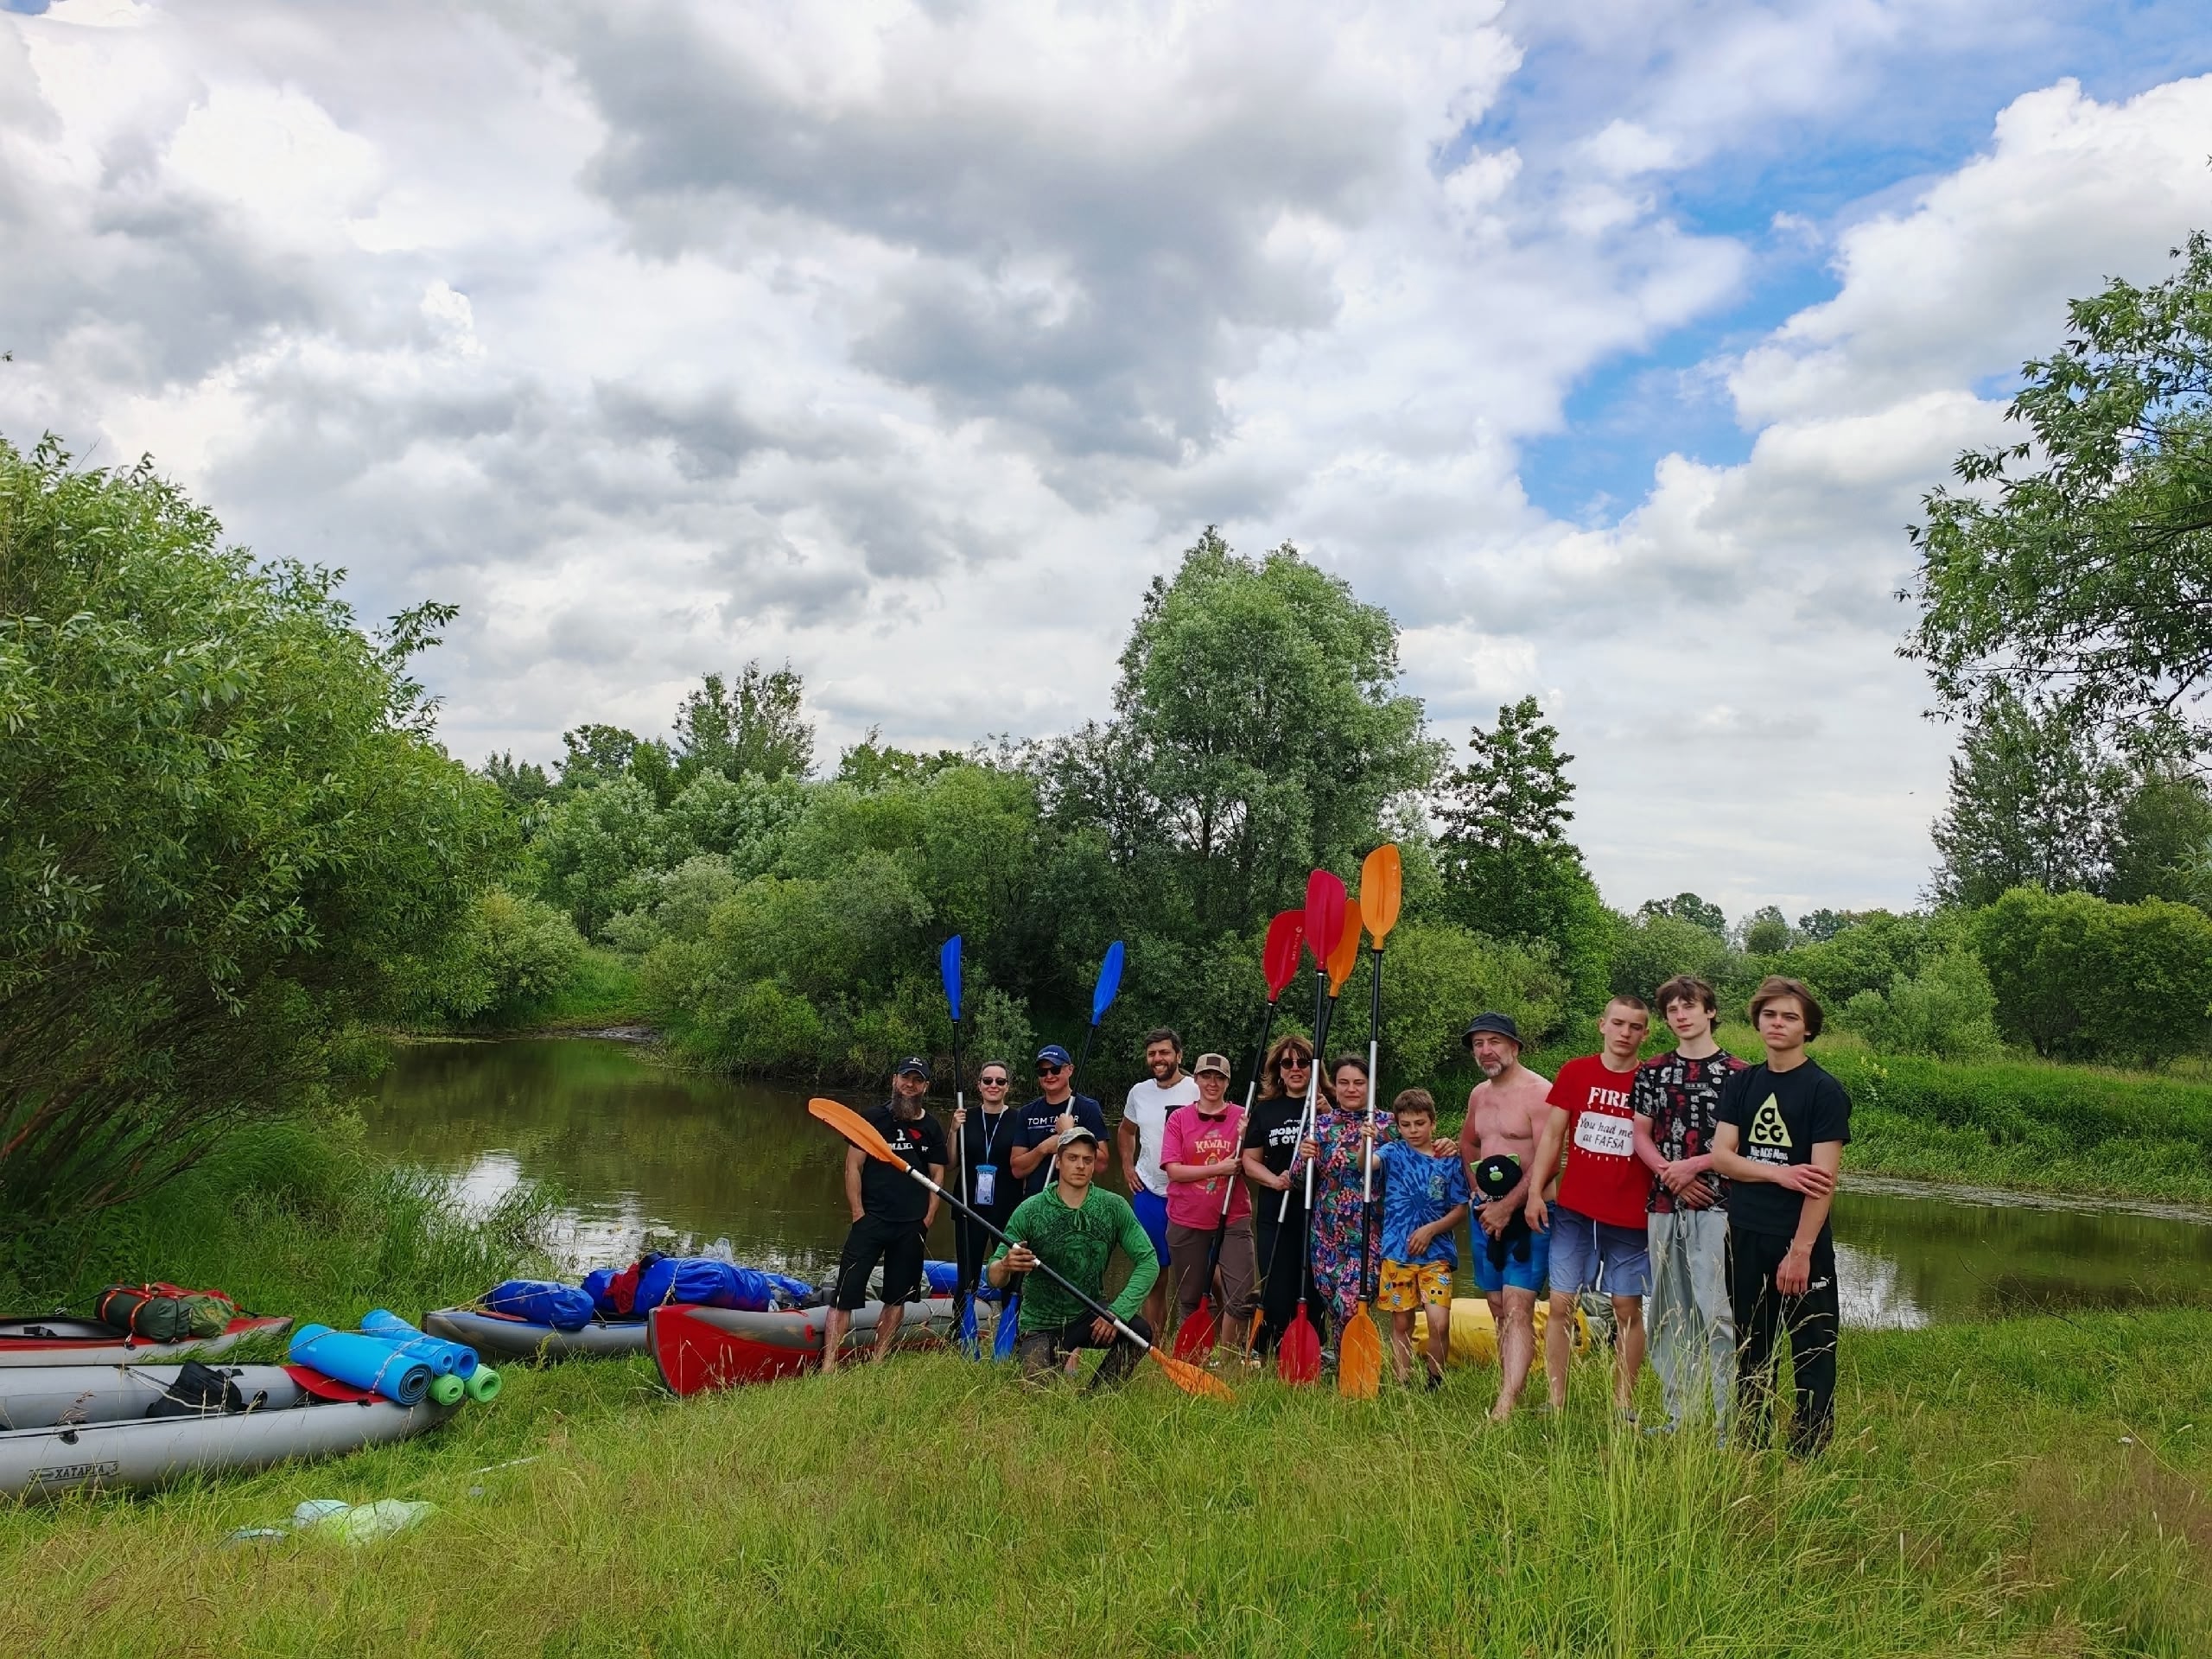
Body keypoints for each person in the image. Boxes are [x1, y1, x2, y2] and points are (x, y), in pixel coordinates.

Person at [1711, 976, 1850, 1455]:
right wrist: (1780, 1175)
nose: (1778, 1023)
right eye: (1769, 1014)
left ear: (1808, 1028)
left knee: (1812, 1347)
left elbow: (1821, 1182)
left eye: (1790, 1016)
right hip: (1745, 1233)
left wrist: (1801, 1251)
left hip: (1798, 1241)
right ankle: (1751, 1444)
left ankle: (1807, 1452)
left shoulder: (1823, 1091)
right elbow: (1721, 1158)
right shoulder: (1742, 1084)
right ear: (1757, 1021)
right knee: (1751, 1346)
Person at [1527, 996, 1653, 1417]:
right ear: (1602, 1025)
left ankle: (1623, 1405)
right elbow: (1552, 1137)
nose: (1625, 1033)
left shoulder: (1651, 1081)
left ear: (1645, 1034)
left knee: (1626, 1308)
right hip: (1575, 1212)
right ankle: (1556, 1400)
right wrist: (1534, 1192)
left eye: (1635, 1027)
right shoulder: (1576, 1072)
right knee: (1561, 1304)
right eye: (1618, 1023)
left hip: (1631, 1216)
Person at [1632, 975, 1745, 1436]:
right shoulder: (1652, 1072)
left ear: (1710, 1011)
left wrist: (1695, 1167)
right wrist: (1671, 1176)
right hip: (1664, 1205)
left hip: (1721, 1206)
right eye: (1672, 1010)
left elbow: (1743, 1145)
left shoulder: (1741, 1074)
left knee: (1717, 1312)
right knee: (1667, 1311)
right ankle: (1681, 1416)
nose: (1681, 1016)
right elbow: (1640, 1135)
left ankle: (1726, 1422)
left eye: (1689, 1007)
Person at [985, 1124, 1160, 1387]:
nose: (1080, 1166)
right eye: (1072, 1158)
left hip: (1089, 1315)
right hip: (1041, 1324)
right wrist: (1006, 1265)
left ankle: (1098, 1397)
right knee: (1036, 1398)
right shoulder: (1030, 1210)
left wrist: (1118, 1312)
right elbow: (993, 1278)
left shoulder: (1114, 1207)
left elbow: (1149, 1262)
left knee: (1139, 1332)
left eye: (1087, 1160)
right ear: (1058, 1162)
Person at [823, 1057, 949, 1374]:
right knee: (845, 1294)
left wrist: (929, 1217)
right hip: (871, 1220)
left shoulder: (931, 1128)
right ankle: (828, 1365)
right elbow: (853, 1165)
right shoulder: (872, 1119)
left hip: (911, 1225)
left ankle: (878, 1361)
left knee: (897, 1296)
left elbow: (937, 1176)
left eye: (917, 1080)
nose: (910, 1085)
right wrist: (857, 1212)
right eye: (905, 1078)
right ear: (894, 1080)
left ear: (925, 1087)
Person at [1456, 1013, 1553, 1421]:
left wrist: (1506, 1206)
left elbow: (1550, 1159)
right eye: (1479, 1043)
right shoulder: (1480, 1094)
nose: (1486, 1050)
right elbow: (1467, 1142)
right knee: (1496, 1304)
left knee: (1518, 1305)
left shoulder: (1540, 1093)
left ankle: (1507, 1401)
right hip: (1485, 1213)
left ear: (1514, 1046)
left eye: (1494, 1041)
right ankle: (1513, 1381)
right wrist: (1477, 1191)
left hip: (1528, 1214)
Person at [1369, 1089, 1471, 1389]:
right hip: (1397, 1252)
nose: (1413, 1130)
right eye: (1406, 1124)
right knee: (1402, 1322)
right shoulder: (1392, 1152)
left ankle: (1435, 1378)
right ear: (1398, 1126)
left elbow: (1460, 1209)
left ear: (1433, 1123)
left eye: (1420, 1123)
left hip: (1436, 1254)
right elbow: (1365, 1165)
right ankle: (1402, 1379)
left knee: (1438, 1321)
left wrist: (1431, 1230)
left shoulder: (1448, 1160)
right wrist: (1366, 1141)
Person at [1160, 1052, 1258, 1351]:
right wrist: (1219, 1168)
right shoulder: (1179, 1118)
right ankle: (1196, 1356)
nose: (1212, 1083)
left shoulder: (1243, 1117)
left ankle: (1228, 1359)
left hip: (1233, 1217)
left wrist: (1249, 1136)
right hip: (1187, 1218)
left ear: (1228, 1082)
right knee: (1191, 1297)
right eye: (1206, 1076)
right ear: (1197, 1079)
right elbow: (1174, 1170)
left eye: (1219, 1077)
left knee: (1242, 1296)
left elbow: (1255, 1163)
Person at [1243, 1034, 1330, 1355]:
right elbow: (1249, 1161)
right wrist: (1275, 1180)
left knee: (1313, 1291)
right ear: (1278, 1071)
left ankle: (1313, 1354)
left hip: (1320, 1215)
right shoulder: (1265, 1111)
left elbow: (1350, 1147)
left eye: (1303, 1063)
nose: (1295, 1069)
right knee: (1277, 1292)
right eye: (1287, 1063)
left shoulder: (1328, 1106)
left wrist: (1329, 1112)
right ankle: (1270, 1352)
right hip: (1275, 1211)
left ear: (1313, 1069)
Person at [1300, 1055, 1390, 1338]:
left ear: (1371, 1085)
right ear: (1334, 1086)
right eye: (1344, 1083)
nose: (1351, 1089)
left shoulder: (1389, 1125)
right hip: (1325, 1233)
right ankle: (1347, 1370)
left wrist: (1444, 1148)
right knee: (1333, 1303)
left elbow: (1419, 1157)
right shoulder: (1320, 1126)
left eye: (1359, 1083)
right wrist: (1303, 1159)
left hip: (1369, 1232)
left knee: (1351, 1304)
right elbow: (1296, 1179)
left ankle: (1356, 1364)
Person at [1119, 1027, 1197, 1334]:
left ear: (1178, 1055)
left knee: (1196, 1276)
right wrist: (1126, 1166)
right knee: (1154, 1273)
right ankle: (1155, 1350)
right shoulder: (1139, 1092)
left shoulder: (1197, 1088)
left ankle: (1198, 1350)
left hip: (1189, 1193)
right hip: (1149, 1192)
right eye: (1152, 1053)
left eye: (1164, 1052)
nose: (1158, 1059)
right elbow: (1126, 1131)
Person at [998, 1044, 1112, 1200]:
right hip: (1037, 1203)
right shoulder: (1026, 1113)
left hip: (1075, 1203)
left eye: (1055, 1069)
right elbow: (1017, 1169)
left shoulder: (1088, 1109)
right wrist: (1044, 1148)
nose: (1049, 1076)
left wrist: (1069, 1135)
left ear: (1070, 1070)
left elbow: (1102, 1164)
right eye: (1042, 1072)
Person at [950, 1058, 1018, 1296]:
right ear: (979, 1085)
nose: (994, 1085)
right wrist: (953, 1130)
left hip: (1007, 1208)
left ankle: (1011, 1330)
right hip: (969, 1206)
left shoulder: (1017, 1120)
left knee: (1010, 1275)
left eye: (1000, 1081)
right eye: (987, 1080)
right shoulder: (964, 1117)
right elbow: (950, 1163)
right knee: (966, 1277)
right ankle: (960, 1330)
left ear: (1007, 1087)